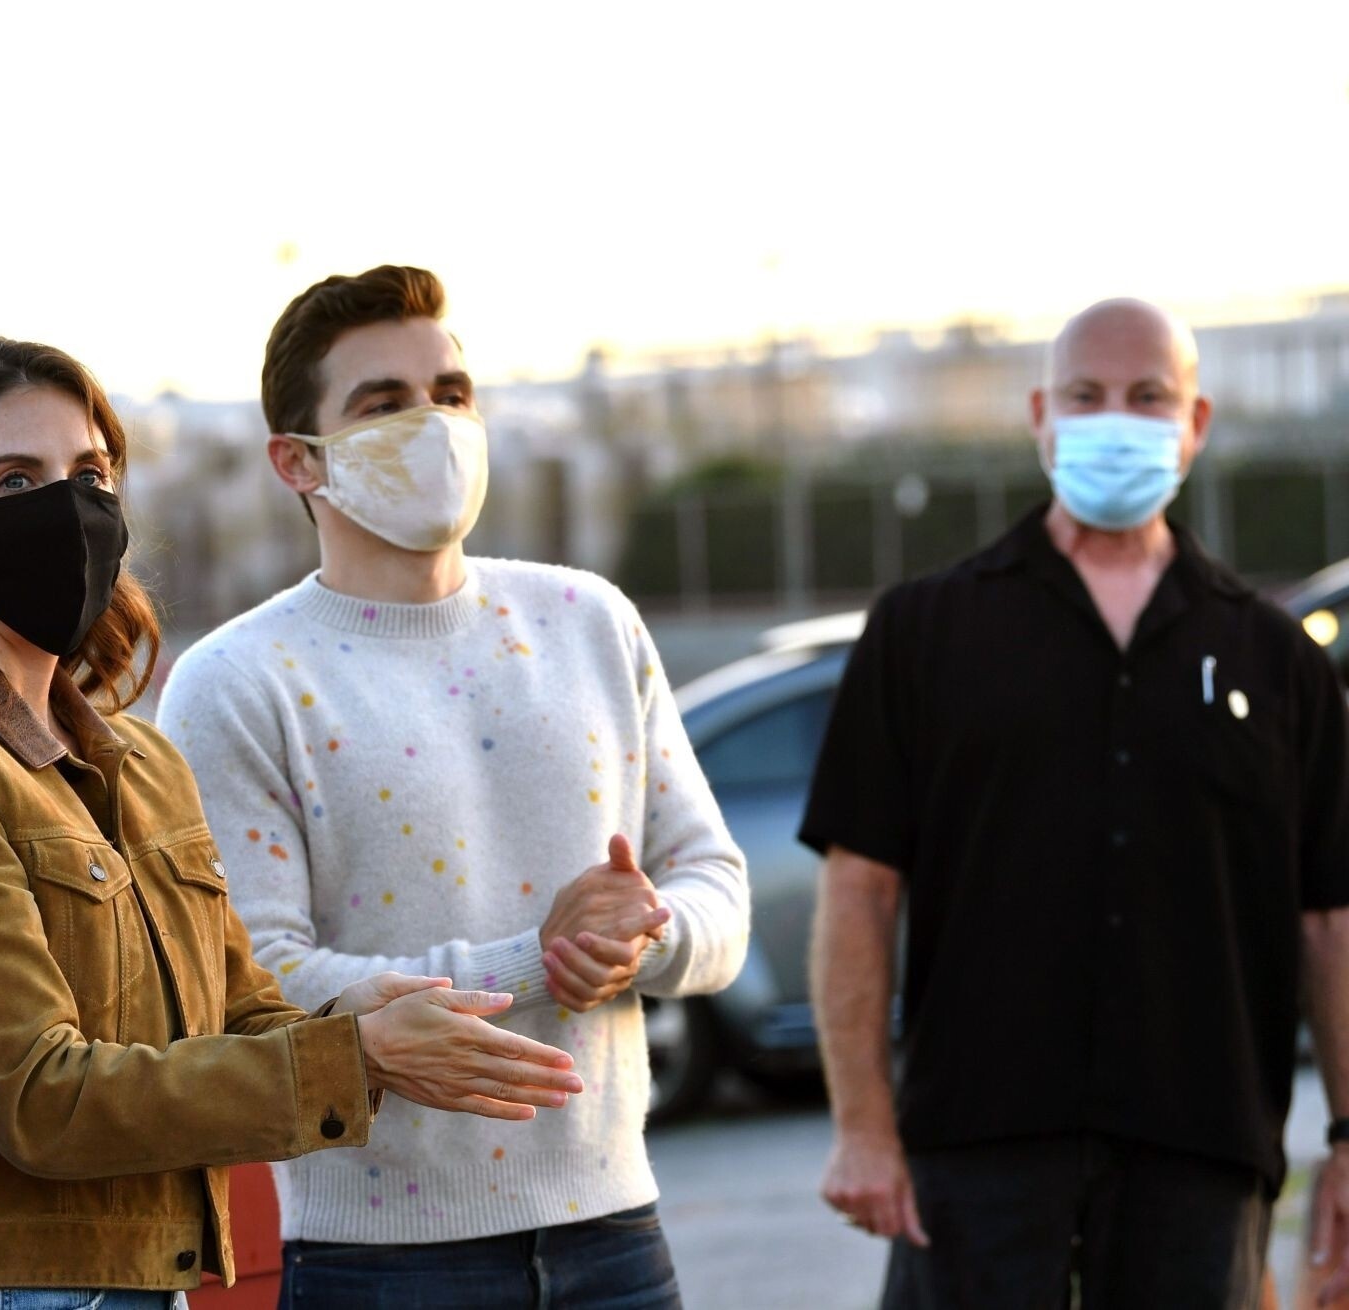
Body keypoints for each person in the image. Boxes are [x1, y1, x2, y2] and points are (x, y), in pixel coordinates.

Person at [0, 336, 584, 1309]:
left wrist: (361, 1019)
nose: (65, 507)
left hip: (147, 1286)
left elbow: (233, 1017)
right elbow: (40, 1099)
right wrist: (355, 1056)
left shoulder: (141, 764)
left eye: (89, 474)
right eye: (15, 479)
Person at [157, 266, 751, 1309]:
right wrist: (540, 960)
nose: (432, 424)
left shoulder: (591, 622)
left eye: (451, 392)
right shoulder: (238, 681)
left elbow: (715, 886)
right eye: (383, 403)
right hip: (378, 1263)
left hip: (616, 1237)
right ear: (297, 460)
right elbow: (252, 982)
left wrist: (639, 937)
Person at [801, 298, 1349, 1309]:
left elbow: (1328, 919)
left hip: (1201, 1146)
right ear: (1039, 416)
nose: (1114, 419)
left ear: (1195, 422)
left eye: (1148, 396)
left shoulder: (1274, 659)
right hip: (975, 1145)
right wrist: (863, 1125)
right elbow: (859, 891)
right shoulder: (924, 632)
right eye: (1085, 395)